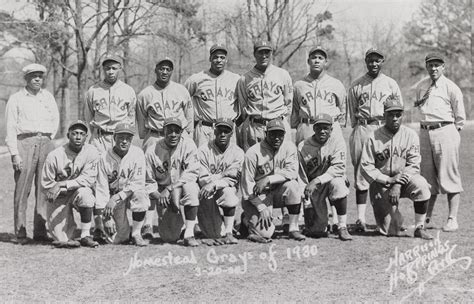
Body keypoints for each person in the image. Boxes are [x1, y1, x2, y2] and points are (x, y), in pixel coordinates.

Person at [360, 97, 433, 239]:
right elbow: (366, 166)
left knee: (422, 185)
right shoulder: (373, 137)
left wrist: (398, 184)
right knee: (390, 231)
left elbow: (413, 165)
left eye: (398, 115)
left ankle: (419, 227)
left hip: (405, 180)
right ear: (384, 116)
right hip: (382, 183)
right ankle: (396, 217)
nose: (395, 118)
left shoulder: (410, 135)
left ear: (402, 115)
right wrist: (388, 180)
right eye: (391, 115)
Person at [347, 48, 403, 233]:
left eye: (377, 60)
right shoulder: (356, 85)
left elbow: (398, 110)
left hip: (383, 129)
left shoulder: (390, 84)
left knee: (387, 169)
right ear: (366, 61)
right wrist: (359, 128)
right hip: (363, 127)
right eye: (370, 60)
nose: (373, 64)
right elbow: (352, 113)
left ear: (382, 61)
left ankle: (390, 216)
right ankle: (361, 219)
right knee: (361, 174)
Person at [137, 58, 194, 237]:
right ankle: (147, 223)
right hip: (154, 135)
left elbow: (189, 117)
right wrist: (148, 138)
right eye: (161, 68)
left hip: (177, 135)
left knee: (179, 177)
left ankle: (187, 221)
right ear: (156, 70)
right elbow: (141, 124)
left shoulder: (181, 90)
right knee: (151, 177)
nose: (164, 72)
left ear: (172, 71)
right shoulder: (145, 93)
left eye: (168, 69)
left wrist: (187, 135)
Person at [84, 54, 137, 243]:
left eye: (114, 68)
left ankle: (122, 222)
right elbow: (88, 116)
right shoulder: (93, 90)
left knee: (120, 180)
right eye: (107, 68)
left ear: (120, 69)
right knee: (99, 180)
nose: (111, 71)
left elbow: (131, 117)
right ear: (103, 70)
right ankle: (98, 225)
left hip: (119, 137)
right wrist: (93, 138)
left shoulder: (128, 91)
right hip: (100, 137)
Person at [5, 63, 59, 244]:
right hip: (24, 143)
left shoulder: (48, 97)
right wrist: (15, 153)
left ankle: (41, 231)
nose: (37, 79)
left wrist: (49, 137)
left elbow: (55, 119)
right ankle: (20, 233)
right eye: (33, 76)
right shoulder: (16, 99)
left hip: (45, 141)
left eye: (40, 76)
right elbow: (11, 127)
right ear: (26, 78)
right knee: (22, 189)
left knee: (44, 187)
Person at [414, 53, 465, 232]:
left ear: (443, 67)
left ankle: (452, 219)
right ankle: (425, 218)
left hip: (445, 131)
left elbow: (460, 118)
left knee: (449, 175)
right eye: (430, 65)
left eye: (437, 65)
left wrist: (450, 135)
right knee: (426, 178)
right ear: (426, 67)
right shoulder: (421, 86)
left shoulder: (451, 87)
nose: (434, 68)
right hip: (425, 132)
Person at [240, 119, 305, 243]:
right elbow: (246, 186)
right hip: (257, 196)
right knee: (266, 234)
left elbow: (292, 172)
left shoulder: (289, 147)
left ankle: (293, 228)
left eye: (280, 134)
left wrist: (268, 179)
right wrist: (261, 207)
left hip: (278, 192)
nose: (277, 138)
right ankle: (246, 220)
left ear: (284, 135)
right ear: (266, 134)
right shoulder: (253, 153)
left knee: (293, 186)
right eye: (273, 134)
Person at [41, 121, 100, 248]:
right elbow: (46, 185)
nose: (78, 137)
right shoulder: (54, 155)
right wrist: (58, 189)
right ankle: (64, 229)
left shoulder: (92, 152)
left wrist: (62, 184)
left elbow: (88, 179)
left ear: (86, 137)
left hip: (78, 192)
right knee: (61, 239)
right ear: (68, 135)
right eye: (74, 133)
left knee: (86, 194)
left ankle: (85, 235)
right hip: (59, 197)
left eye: (82, 134)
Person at [145, 117, 200, 247]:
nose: (173, 134)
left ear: (181, 132)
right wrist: (160, 197)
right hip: (162, 193)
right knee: (169, 237)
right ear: (163, 131)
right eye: (170, 131)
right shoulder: (152, 150)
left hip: (181, 187)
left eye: (177, 131)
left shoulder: (189, 145)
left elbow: (192, 173)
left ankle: (189, 233)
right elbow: (148, 182)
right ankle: (172, 223)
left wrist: (171, 188)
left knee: (191, 188)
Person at [298, 113, 352, 241]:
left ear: (331, 129)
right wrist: (306, 201)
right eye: (319, 128)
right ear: (314, 129)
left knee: (338, 184)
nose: (322, 131)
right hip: (313, 188)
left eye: (325, 128)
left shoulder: (337, 142)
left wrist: (317, 180)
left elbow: (339, 168)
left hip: (330, 180)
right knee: (316, 231)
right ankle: (320, 224)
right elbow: (301, 176)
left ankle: (342, 226)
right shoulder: (303, 146)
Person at [95, 123, 150, 246]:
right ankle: (123, 231)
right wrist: (106, 217)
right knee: (118, 239)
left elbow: (138, 182)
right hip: (112, 200)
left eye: (128, 138)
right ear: (114, 138)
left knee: (141, 194)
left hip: (128, 194)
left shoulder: (138, 153)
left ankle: (136, 233)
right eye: (121, 137)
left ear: (131, 139)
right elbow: (101, 188)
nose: (124, 141)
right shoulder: (104, 157)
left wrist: (117, 197)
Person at [236, 40, 293, 151]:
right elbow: (243, 107)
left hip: (278, 126)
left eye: (267, 52)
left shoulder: (283, 75)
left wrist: (282, 122)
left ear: (271, 54)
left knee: (281, 162)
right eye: (260, 52)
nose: (264, 56)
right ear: (254, 54)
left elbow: (288, 105)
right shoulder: (245, 79)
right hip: (255, 128)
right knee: (254, 162)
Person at [196, 118, 244, 245]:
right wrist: (223, 175)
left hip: (222, 189)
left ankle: (229, 232)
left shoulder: (238, 152)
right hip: (206, 193)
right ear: (214, 131)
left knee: (228, 192)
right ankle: (214, 225)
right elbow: (203, 180)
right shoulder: (203, 150)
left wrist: (214, 182)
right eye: (219, 131)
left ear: (231, 133)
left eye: (226, 131)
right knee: (214, 234)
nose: (222, 134)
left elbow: (232, 180)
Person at [185, 44, 240, 147]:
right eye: (215, 57)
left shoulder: (236, 79)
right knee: (202, 161)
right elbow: (183, 100)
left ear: (226, 60)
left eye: (222, 57)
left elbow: (244, 105)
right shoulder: (196, 79)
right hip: (205, 130)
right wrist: (189, 126)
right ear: (210, 58)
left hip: (228, 130)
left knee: (230, 160)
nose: (219, 60)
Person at [291, 46, 346, 145]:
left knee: (331, 159)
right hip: (307, 127)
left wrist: (338, 127)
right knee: (305, 159)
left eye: (320, 58)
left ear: (326, 62)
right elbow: (295, 111)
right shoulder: (299, 85)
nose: (317, 61)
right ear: (308, 61)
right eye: (314, 58)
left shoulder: (336, 84)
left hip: (330, 129)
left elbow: (343, 109)